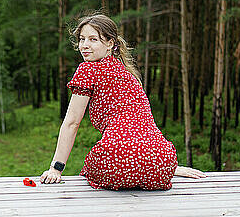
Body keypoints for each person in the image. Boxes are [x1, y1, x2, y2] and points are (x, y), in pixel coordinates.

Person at [40, 13, 206, 189]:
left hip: (117, 162)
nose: (84, 46)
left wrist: (55, 169)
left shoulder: (87, 69)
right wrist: (167, 167)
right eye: (82, 39)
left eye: (93, 39)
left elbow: (72, 123)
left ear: (110, 43)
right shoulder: (127, 74)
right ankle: (149, 168)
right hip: (162, 161)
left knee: (92, 166)